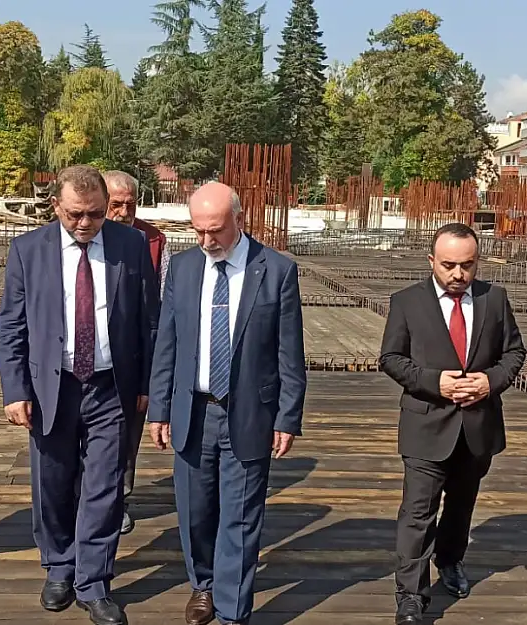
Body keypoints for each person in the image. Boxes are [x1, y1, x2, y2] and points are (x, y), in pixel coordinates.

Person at [0, 164, 159, 625]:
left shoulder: (130, 246)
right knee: (53, 483)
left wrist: (148, 383)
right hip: (53, 386)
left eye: (94, 214)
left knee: (105, 486)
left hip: (112, 386)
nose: (84, 224)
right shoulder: (28, 250)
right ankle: (59, 566)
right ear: (56, 206)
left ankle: (93, 580)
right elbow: (11, 326)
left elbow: (151, 321)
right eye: (74, 215)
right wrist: (14, 389)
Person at [148, 182, 307, 625]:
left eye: (215, 231)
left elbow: (289, 353)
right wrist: (159, 408)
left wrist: (288, 416)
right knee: (195, 511)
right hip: (193, 411)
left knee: (240, 515)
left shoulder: (275, 270)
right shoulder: (181, 268)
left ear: (240, 218)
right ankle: (203, 585)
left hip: (250, 412)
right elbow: (168, 343)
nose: (206, 241)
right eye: (198, 231)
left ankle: (233, 610)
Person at [378, 222, 526, 624]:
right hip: (426, 423)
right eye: (448, 266)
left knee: (461, 505)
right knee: (418, 511)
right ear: (431, 261)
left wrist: (490, 381)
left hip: (478, 425)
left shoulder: (495, 299)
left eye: (467, 265)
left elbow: (514, 353)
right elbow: (391, 358)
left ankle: (451, 560)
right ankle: (410, 593)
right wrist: (434, 382)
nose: (458, 274)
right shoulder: (407, 301)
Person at [102, 169, 169, 535]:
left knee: (127, 434)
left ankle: (119, 500)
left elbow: (160, 307)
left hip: (133, 353)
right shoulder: (80, 232)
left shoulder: (154, 240)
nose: (123, 211)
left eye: (130, 204)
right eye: (116, 204)